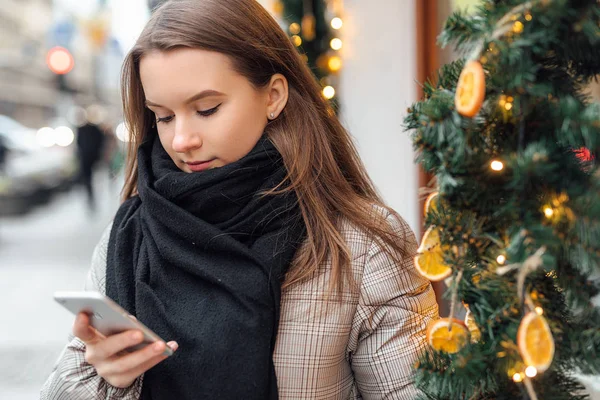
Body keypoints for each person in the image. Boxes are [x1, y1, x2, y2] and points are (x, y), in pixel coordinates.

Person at [41, 0, 438, 399]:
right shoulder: (127, 238)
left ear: (273, 96)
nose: (182, 140)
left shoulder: (360, 247)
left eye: (207, 109)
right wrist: (105, 378)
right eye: (163, 116)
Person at [76, 115, 106, 211]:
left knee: (94, 178)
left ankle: (94, 196)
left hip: (91, 157)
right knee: (88, 179)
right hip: (86, 158)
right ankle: (91, 197)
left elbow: (100, 140)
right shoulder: (81, 129)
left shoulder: (93, 129)